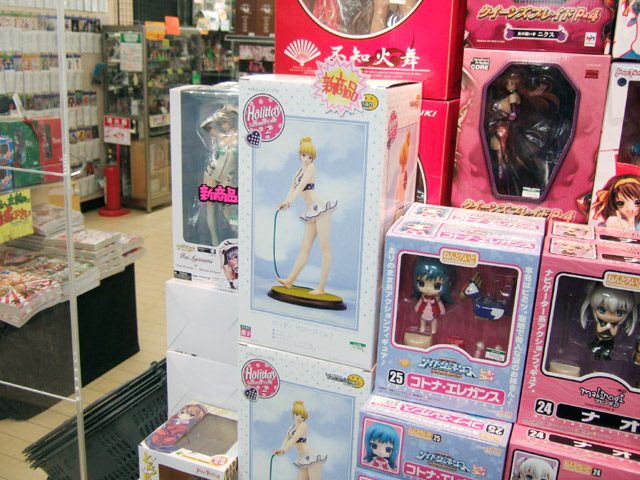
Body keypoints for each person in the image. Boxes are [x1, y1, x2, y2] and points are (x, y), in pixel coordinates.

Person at [485, 66, 562, 198]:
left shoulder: (513, 96)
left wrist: (500, 121)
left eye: (513, 81)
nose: (510, 84)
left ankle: (506, 189)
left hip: (503, 131)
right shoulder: (503, 96)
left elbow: (514, 115)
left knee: (503, 161)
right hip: (497, 130)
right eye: (508, 81)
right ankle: (501, 188)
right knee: (499, 160)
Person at [277, 137, 337, 295]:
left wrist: (289, 203)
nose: (307, 159)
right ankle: (289, 280)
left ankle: (321, 288)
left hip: (320, 208)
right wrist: (285, 203)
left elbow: (301, 187)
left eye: (310, 157)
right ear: (299, 155)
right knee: (305, 247)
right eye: (304, 155)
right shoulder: (297, 173)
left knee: (325, 246)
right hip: (311, 210)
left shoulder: (311, 168)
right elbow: (292, 189)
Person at [580, 283, 638, 361]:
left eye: (620, 313)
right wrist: (606, 327)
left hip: (609, 339)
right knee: (598, 347)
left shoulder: (615, 325)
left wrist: (611, 328)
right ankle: (597, 354)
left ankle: (606, 355)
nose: (610, 316)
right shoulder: (601, 323)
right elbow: (599, 330)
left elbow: (614, 333)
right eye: (602, 310)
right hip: (600, 338)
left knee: (608, 348)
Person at [274, 401, 327, 479]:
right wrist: (281, 450)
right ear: (293, 414)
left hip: (311, 458)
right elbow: (287, 439)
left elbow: (294, 438)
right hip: (303, 459)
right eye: (297, 414)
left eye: (302, 417)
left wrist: (284, 450)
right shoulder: (291, 428)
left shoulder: (303, 425)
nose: (299, 418)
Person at [411, 257, 454, 336]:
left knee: (434, 320)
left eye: (437, 286)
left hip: (434, 312)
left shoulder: (437, 299)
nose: (428, 289)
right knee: (422, 319)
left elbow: (440, 304)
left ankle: (433, 330)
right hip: (423, 311)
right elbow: (420, 301)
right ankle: (422, 329)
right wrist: (417, 307)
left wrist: (442, 311)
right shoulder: (423, 297)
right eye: (421, 283)